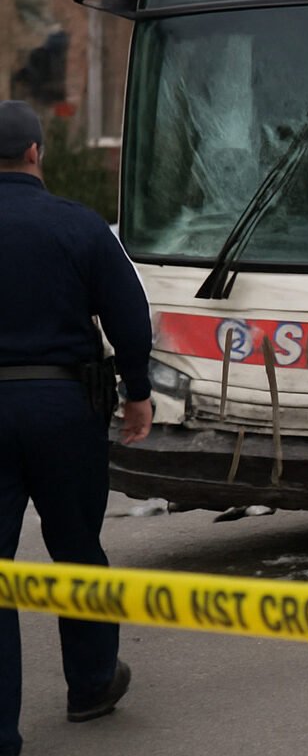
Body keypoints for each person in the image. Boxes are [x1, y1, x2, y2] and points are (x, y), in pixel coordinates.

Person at [0, 100, 154, 755]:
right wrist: (138, 392)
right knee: (77, 547)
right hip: (65, 410)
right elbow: (129, 313)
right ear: (37, 151)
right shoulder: (79, 225)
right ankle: (91, 685)